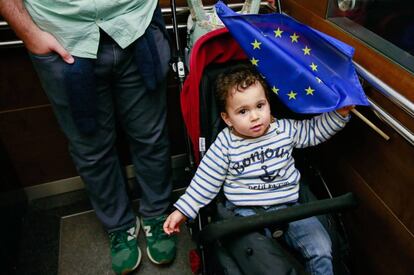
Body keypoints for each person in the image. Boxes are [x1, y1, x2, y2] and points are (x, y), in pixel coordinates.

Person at [0, 1, 176, 274]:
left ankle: (157, 213)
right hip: (63, 35)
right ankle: (119, 226)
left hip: (136, 22)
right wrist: (30, 34)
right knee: (90, 149)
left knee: (150, 134)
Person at [164, 65, 353, 275]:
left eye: (260, 106)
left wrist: (339, 115)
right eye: (243, 111)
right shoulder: (225, 144)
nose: (255, 116)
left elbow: (313, 131)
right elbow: (205, 181)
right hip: (247, 213)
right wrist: (183, 210)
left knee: (322, 248)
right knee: (264, 265)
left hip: (291, 206)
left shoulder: (283, 129)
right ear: (227, 119)